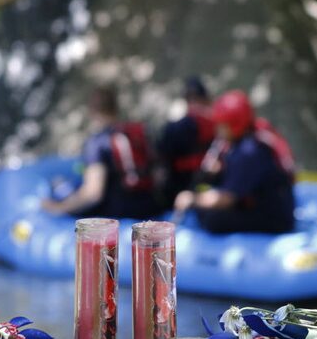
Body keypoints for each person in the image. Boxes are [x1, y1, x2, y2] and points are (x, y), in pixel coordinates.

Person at [173, 90, 296, 234]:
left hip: (276, 218)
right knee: (206, 210)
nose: (218, 130)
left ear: (235, 124)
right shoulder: (249, 138)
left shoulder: (249, 150)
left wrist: (192, 199)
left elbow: (226, 199)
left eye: (222, 125)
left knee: (212, 219)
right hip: (263, 204)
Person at [42, 86, 160, 219]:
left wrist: (59, 208)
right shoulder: (138, 132)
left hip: (118, 213)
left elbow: (93, 194)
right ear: (116, 108)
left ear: (92, 111)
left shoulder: (97, 143)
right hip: (150, 206)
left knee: (59, 187)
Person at [156, 77, 216, 205]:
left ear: (186, 100)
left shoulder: (174, 127)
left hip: (178, 192)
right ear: (205, 98)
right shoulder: (219, 124)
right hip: (208, 189)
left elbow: (162, 160)